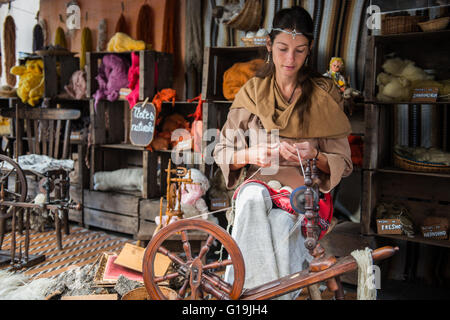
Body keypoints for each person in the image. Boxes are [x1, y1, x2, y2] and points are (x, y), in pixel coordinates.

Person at [213, 6, 353, 299]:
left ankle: (238, 297)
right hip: (260, 187)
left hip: (305, 197)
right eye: (283, 48)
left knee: (280, 224)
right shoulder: (251, 91)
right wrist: (252, 154)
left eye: (300, 50)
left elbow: (343, 161)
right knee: (251, 198)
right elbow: (223, 150)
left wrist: (314, 154)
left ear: (309, 49)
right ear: (269, 45)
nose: (290, 59)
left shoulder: (325, 93)